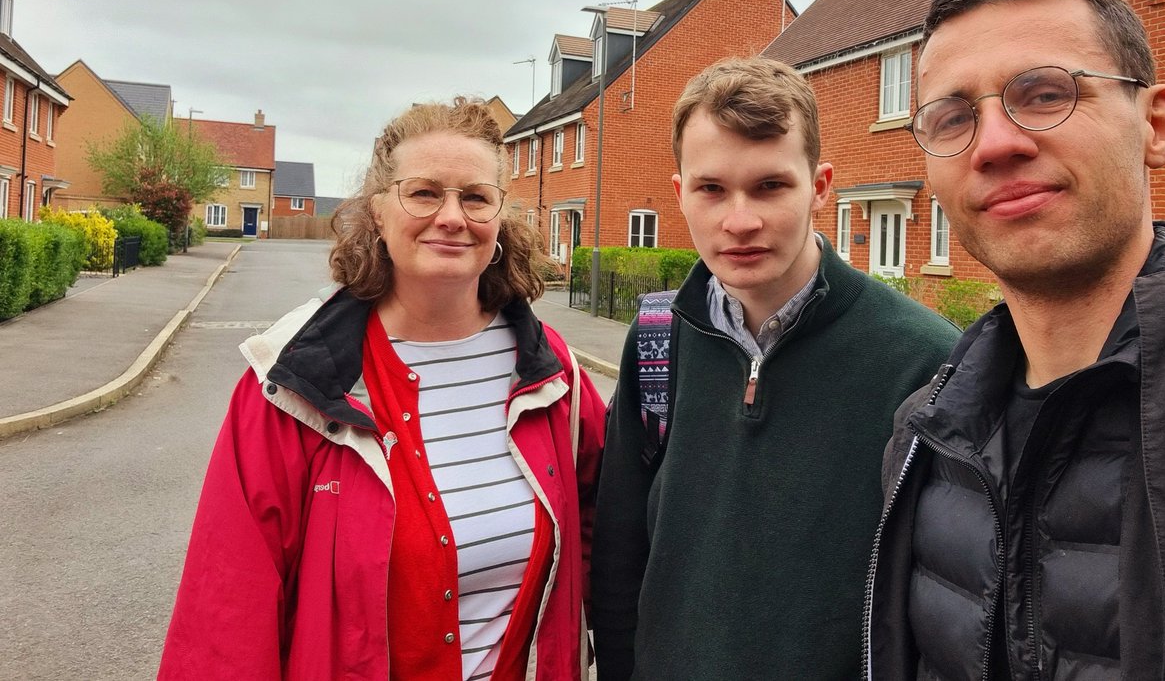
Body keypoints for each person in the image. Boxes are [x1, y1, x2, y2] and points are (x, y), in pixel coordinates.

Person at [159, 97, 606, 681]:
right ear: (377, 212)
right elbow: (226, 610)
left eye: (476, 197)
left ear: (500, 216)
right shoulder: (294, 384)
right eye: (423, 193)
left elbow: (611, 545)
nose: (452, 216)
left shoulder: (554, 377)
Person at [864, 0, 1165, 678]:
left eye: (1046, 94)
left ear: (1158, 125)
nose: (994, 144)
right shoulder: (923, 434)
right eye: (953, 117)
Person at [590, 56, 960, 680]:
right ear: (679, 193)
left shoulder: (924, 358)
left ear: (820, 186)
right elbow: (620, 551)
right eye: (711, 189)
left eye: (770, 186)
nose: (740, 221)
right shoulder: (657, 338)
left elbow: (946, 600)